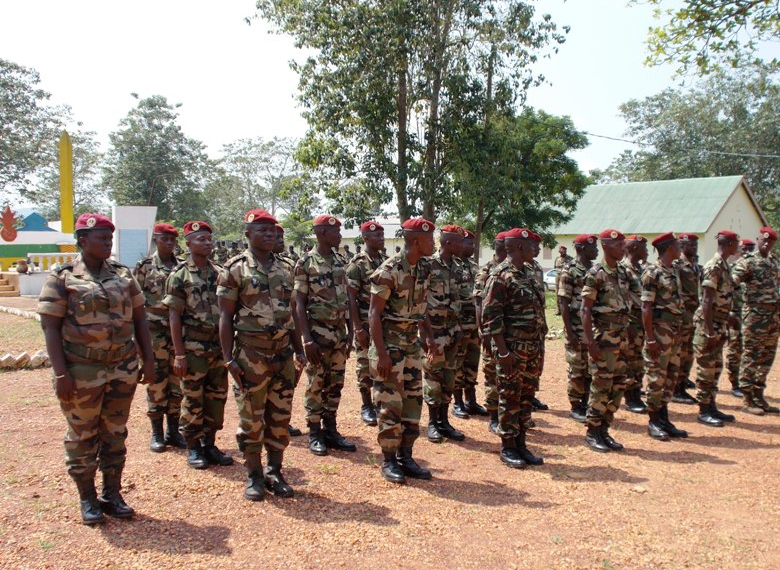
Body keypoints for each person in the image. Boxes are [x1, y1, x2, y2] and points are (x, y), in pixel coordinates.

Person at [39, 213, 155, 525]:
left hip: (122, 367)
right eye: (101, 237)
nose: (108, 242)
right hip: (81, 370)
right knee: (83, 435)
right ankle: (87, 497)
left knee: (115, 433)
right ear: (82, 240)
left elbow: (140, 319)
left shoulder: (122, 274)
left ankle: (112, 494)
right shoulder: (62, 277)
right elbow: (50, 327)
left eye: (109, 237)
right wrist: (61, 374)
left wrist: (148, 359)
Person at [217, 210, 304, 501]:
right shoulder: (234, 269)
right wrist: (228, 358)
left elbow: (292, 312)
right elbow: (225, 317)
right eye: (262, 230)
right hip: (250, 354)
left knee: (280, 416)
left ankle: (274, 471)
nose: (269, 235)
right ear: (248, 234)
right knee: (252, 420)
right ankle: (254, 475)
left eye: (272, 230)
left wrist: (299, 350)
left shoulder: (285, 267)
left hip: (283, 353)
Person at [368, 218, 438, 483]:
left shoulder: (423, 268)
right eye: (430, 239)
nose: (434, 244)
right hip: (390, 347)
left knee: (412, 402)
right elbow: (374, 314)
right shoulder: (390, 270)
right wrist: (382, 354)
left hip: (411, 346)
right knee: (390, 405)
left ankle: (406, 456)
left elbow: (422, 307)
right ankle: (389, 460)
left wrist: (429, 337)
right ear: (416, 241)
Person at [164, 221, 233, 470]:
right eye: (201, 239)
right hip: (193, 348)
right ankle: (193, 446)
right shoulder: (179, 275)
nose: (207, 243)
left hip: (217, 347)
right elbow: (174, 316)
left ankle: (209, 444)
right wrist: (179, 354)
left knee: (217, 397)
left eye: (208, 239)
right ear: (188, 244)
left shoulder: (220, 272)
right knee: (193, 398)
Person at [481, 228, 546, 468]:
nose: (534, 250)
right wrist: (503, 352)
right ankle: (508, 446)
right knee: (509, 396)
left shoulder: (527, 273)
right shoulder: (501, 275)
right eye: (530, 246)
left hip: (532, 347)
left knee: (526, 396)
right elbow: (491, 317)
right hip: (512, 348)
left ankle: (521, 443)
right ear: (519, 247)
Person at [294, 215, 355, 455]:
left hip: (339, 334)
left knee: (335, 383)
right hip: (317, 334)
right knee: (315, 384)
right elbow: (299, 303)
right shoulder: (306, 262)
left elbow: (346, 297)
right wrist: (307, 339)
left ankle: (331, 430)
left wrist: (350, 331)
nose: (339, 235)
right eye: (335, 232)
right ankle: (314, 433)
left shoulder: (340, 261)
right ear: (321, 233)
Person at [133, 223, 185, 452]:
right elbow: (135, 302)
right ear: (156, 240)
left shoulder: (182, 266)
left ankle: (173, 431)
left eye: (172, 239)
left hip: (178, 334)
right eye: (165, 239)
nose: (169, 243)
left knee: (177, 383)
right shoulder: (144, 267)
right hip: (154, 334)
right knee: (156, 383)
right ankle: (157, 432)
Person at [581, 229, 630, 453]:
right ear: (606, 246)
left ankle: (604, 429)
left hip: (621, 338)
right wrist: (590, 342)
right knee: (601, 386)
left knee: (618, 386)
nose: (623, 249)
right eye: (619, 245)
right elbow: (585, 309)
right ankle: (593, 431)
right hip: (604, 337)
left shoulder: (622, 272)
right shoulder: (596, 273)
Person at [641, 233, 688, 441]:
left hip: (674, 332)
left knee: (671, 376)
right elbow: (646, 307)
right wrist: (650, 338)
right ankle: (653, 421)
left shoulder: (674, 269)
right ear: (669, 248)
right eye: (678, 245)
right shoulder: (652, 272)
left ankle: (664, 419)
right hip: (659, 333)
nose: (681, 248)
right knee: (656, 377)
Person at [423, 225, 467, 443]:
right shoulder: (428, 265)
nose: (462, 245)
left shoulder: (458, 266)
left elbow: (458, 300)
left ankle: (444, 421)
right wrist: (426, 336)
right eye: (459, 241)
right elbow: (420, 301)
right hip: (434, 331)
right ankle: (432, 423)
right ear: (448, 243)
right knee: (433, 377)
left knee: (449, 377)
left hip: (452, 330)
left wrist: (458, 328)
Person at [693, 230, 739, 427]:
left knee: (715, 367)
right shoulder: (714, 266)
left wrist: (723, 326)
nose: (738, 247)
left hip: (718, 323)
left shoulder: (724, 266)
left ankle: (711, 406)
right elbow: (706, 301)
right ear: (729, 244)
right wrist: (710, 331)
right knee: (706, 369)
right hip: (708, 325)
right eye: (736, 243)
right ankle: (703, 410)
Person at [731, 226, 780, 415]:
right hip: (755, 317)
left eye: (770, 241)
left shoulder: (774, 261)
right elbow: (732, 283)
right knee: (751, 356)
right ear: (758, 239)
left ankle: (759, 395)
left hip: (773, 317)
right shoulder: (748, 262)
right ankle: (747, 399)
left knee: (767, 356)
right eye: (763, 240)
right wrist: (733, 309)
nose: (766, 243)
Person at [346, 221, 387, 426]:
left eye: (382, 235)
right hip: (364, 322)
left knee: (380, 363)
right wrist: (357, 328)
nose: (381, 239)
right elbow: (351, 298)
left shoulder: (386, 261)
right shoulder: (357, 264)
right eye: (376, 236)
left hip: (382, 323)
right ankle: (366, 405)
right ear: (365, 238)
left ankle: (380, 403)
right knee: (364, 364)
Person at [558, 234, 598, 422]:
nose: (596, 251)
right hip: (575, 326)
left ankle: (587, 402)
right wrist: (570, 332)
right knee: (576, 368)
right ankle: (576, 406)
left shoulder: (595, 270)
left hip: (591, 327)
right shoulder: (570, 270)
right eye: (593, 247)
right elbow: (563, 303)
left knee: (590, 367)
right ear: (582, 248)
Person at [474, 231, 507, 433]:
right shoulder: (486, 270)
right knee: (492, 374)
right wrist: (484, 331)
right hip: (490, 331)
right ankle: (494, 416)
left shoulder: (515, 269)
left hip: (507, 332)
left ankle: (508, 415)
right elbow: (479, 303)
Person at [453, 229, 488, 418]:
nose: (472, 247)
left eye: (474, 244)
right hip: (459, 323)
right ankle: (457, 402)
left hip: (474, 324)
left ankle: (471, 400)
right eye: (469, 243)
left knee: (472, 363)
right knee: (457, 364)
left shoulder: (474, 266)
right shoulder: (452, 266)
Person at [274, 224, 304, 437]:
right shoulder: (241, 267)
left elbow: (293, 307)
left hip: (285, 337)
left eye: (281, 236)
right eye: (276, 236)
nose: (280, 240)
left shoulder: (287, 266)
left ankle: (282, 421)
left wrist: (299, 345)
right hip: (257, 341)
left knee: (286, 385)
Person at [619, 235, 648, 413]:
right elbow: (623, 297)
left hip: (641, 321)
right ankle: (631, 396)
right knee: (630, 359)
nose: (647, 251)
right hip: (631, 321)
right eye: (644, 247)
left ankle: (636, 389)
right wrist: (628, 324)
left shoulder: (641, 269)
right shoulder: (623, 269)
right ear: (635, 248)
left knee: (638, 358)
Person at [671, 233, 700, 405]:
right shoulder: (677, 265)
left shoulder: (695, 265)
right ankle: (676, 388)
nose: (694, 247)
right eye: (691, 244)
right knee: (681, 352)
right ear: (681, 246)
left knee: (689, 352)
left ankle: (682, 382)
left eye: (696, 244)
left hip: (694, 314)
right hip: (683, 315)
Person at [725, 238, 755, 397]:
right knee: (735, 350)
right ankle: (735, 383)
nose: (747, 252)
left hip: (752, 316)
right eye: (744, 249)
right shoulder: (732, 269)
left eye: (751, 249)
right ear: (739, 250)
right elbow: (724, 292)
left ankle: (747, 382)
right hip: (736, 315)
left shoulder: (756, 270)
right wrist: (728, 312)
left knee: (750, 350)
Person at [526, 232, 549, 414]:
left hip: (538, 323)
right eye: (535, 246)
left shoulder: (537, 267)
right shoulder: (520, 268)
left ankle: (531, 394)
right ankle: (525, 397)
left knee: (537, 362)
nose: (538, 249)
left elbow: (540, 299)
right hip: (524, 324)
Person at [554, 245, 573, 315]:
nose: (562, 252)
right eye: (561, 251)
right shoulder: (557, 259)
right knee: (557, 294)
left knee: (566, 294)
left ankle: (568, 309)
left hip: (566, 278)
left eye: (564, 251)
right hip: (558, 278)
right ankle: (559, 310)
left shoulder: (570, 259)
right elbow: (555, 268)